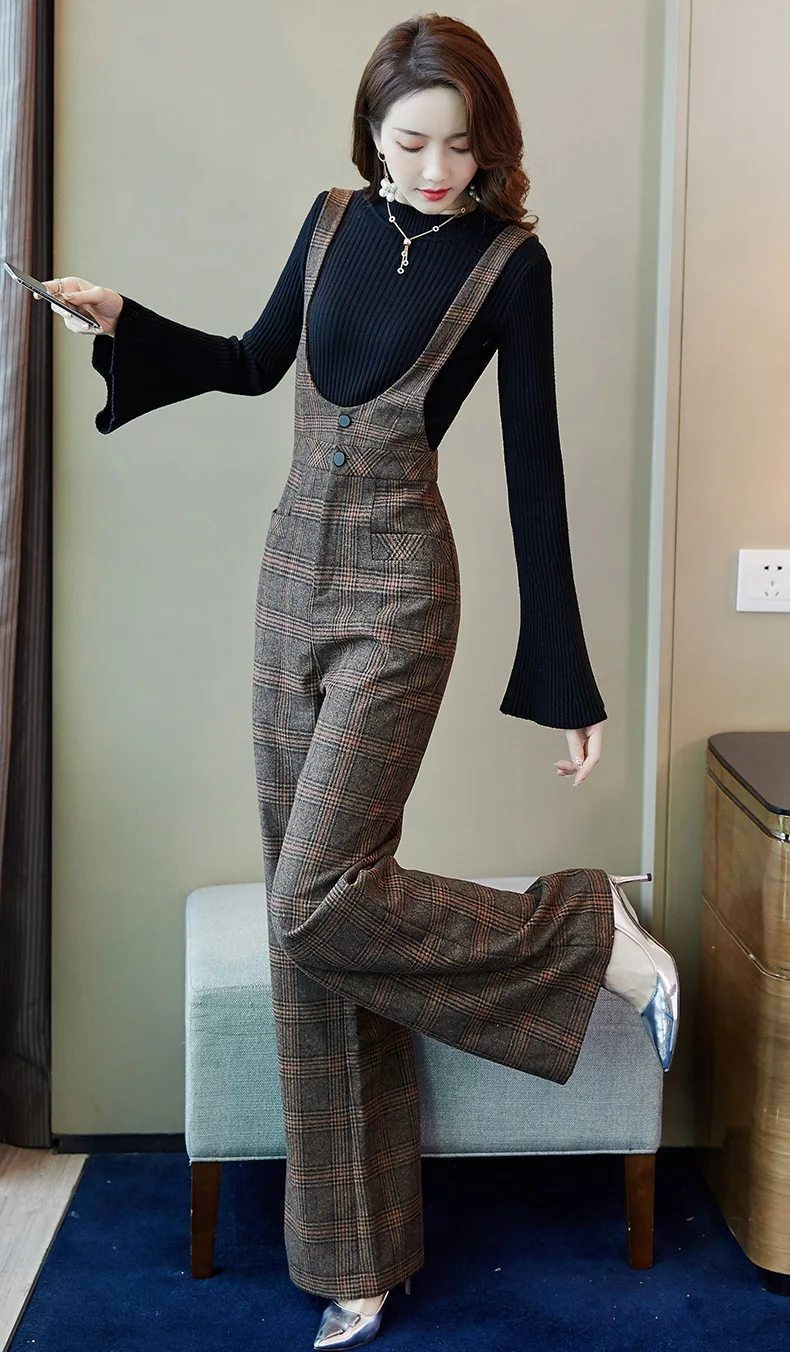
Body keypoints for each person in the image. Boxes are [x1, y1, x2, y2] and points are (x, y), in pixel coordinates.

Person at [40, 14, 678, 1349]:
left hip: (400, 598)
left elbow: (534, 469)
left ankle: (590, 936)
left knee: (316, 894)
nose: (438, 170)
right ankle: (355, 1258)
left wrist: (568, 678)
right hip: (287, 591)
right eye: (412, 142)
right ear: (372, 137)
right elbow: (250, 362)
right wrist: (124, 320)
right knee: (311, 939)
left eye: (463, 146)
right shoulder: (330, 223)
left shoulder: (509, 265)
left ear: (491, 145)